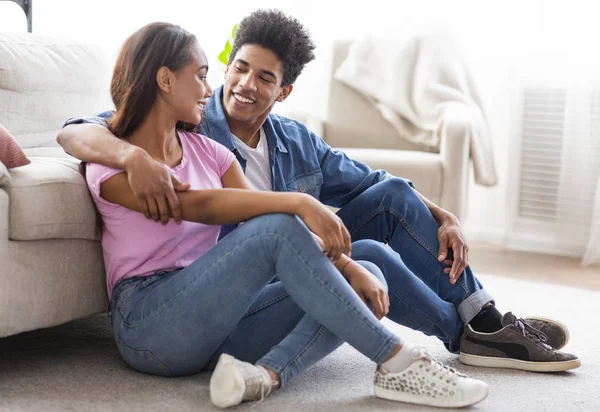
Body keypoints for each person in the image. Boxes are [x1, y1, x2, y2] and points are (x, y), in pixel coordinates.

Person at [58, 10, 580, 373]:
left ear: (283, 91)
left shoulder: (281, 141)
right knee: (307, 239)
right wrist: (130, 156)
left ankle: (479, 323)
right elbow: (83, 130)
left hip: (269, 267)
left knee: (386, 217)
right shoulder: (185, 127)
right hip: (210, 277)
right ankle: (428, 349)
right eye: (236, 67)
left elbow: (375, 185)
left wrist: (445, 215)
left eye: (264, 78)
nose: (241, 84)